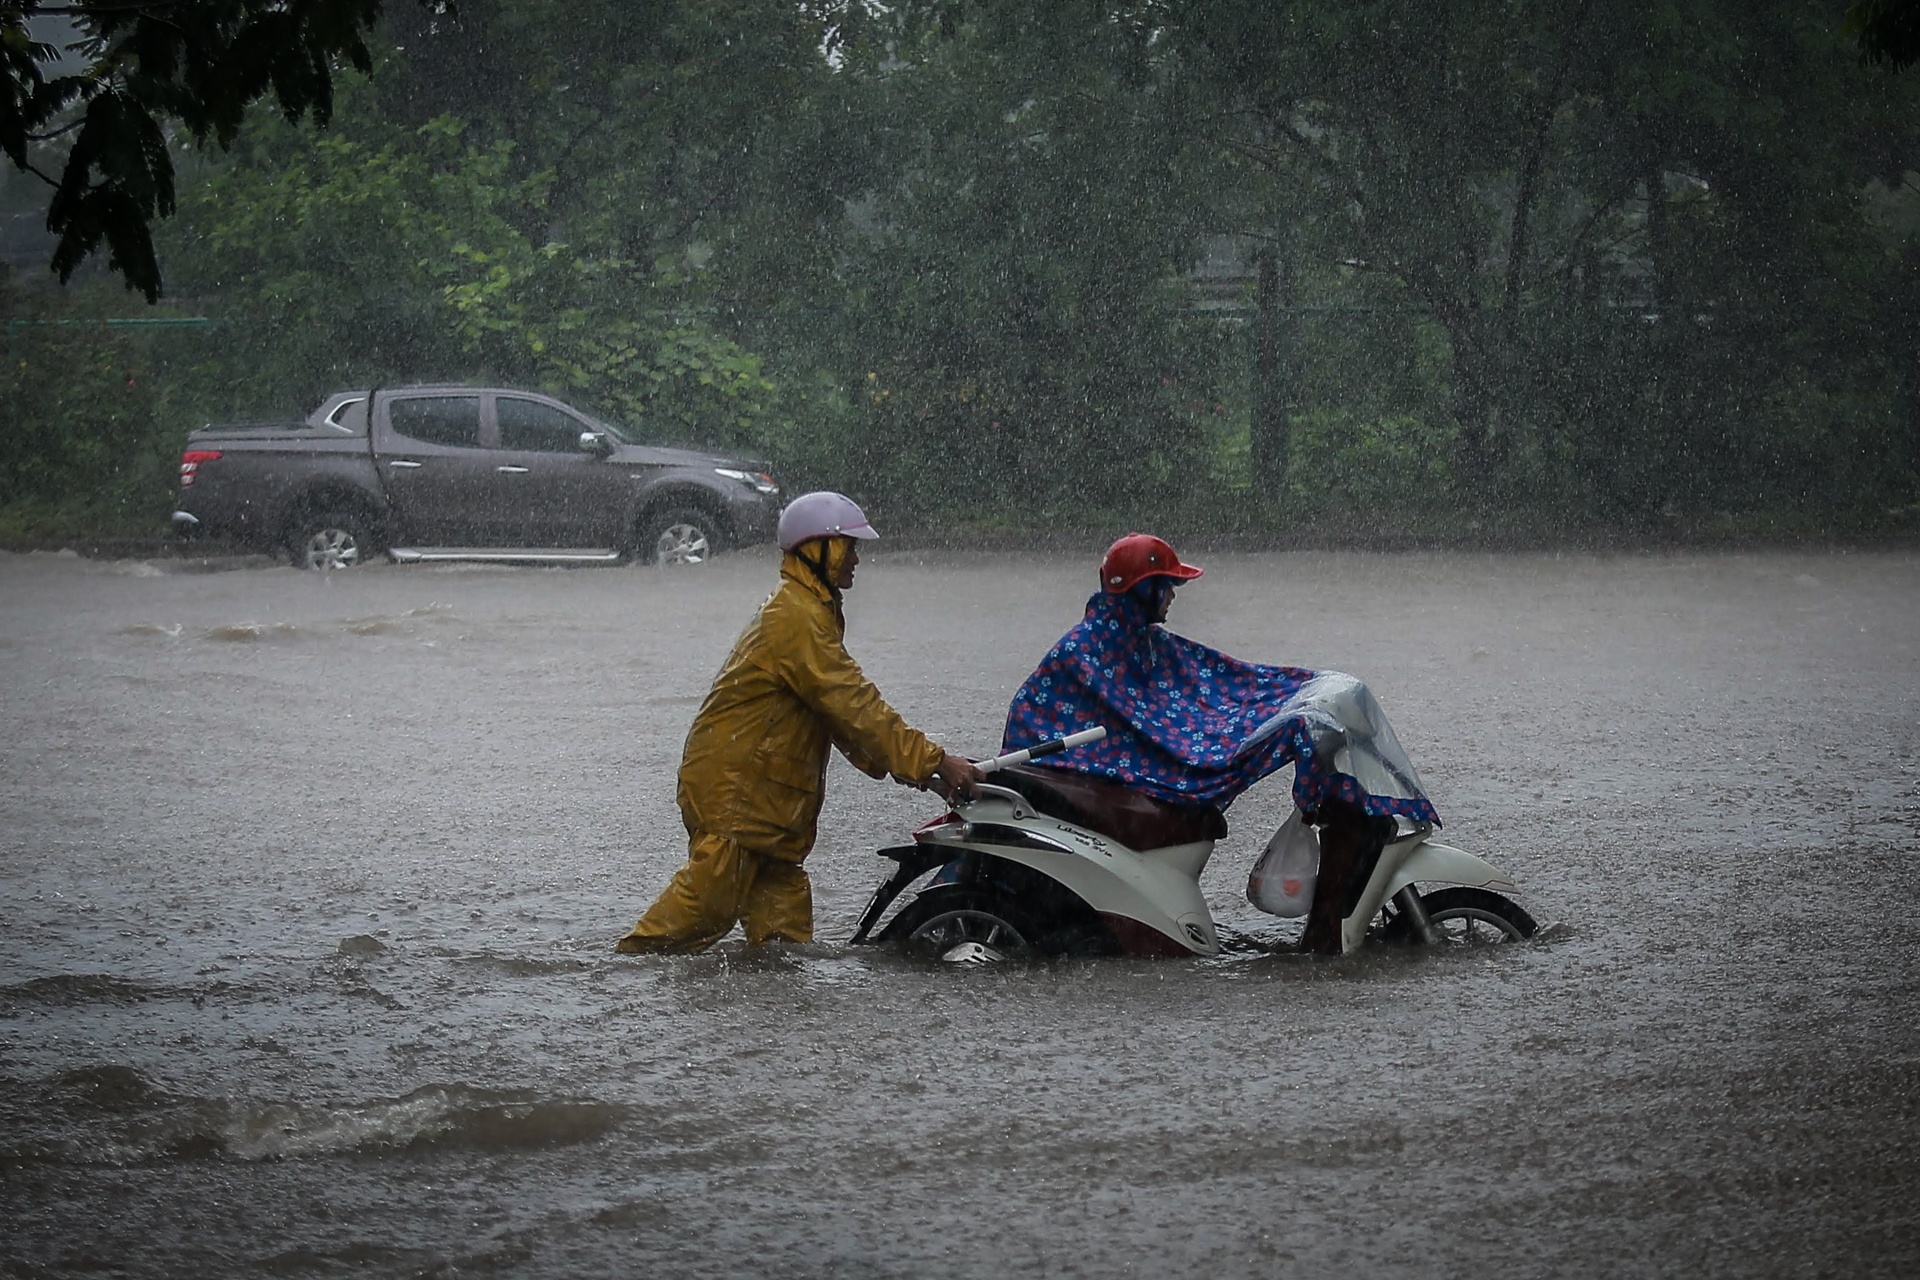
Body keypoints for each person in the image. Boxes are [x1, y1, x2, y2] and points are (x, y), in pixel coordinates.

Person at [1002, 532, 1437, 954]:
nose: (1174, 595)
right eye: (1168, 585)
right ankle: (1322, 938)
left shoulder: (1140, 640)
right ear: (1143, 589)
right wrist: (1242, 738)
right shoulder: (1089, 651)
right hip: (1086, 787)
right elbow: (1147, 726)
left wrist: (1303, 693)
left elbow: (1227, 681)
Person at [616, 492, 984, 953]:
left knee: (781, 941)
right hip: (738, 796)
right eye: (849, 546)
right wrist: (936, 760)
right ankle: (615, 981)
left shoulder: (812, 610)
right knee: (705, 908)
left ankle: (767, 1021)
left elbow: (840, 717)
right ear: (817, 549)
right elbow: (855, 705)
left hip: (770, 803)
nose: (857, 559)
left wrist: (927, 772)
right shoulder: (797, 616)